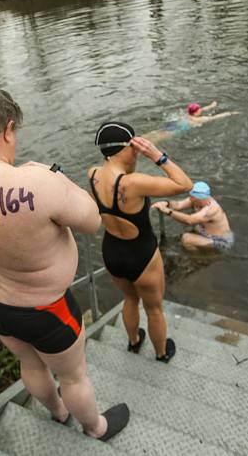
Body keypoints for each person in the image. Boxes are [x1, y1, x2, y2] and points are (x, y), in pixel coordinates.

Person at [0, 86, 130, 442]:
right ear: (7, 129)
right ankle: (96, 428)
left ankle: (58, 412)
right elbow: (92, 221)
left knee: (30, 363)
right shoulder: (37, 183)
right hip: (46, 309)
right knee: (74, 376)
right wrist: (57, 177)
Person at [88, 123, 192, 361]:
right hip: (141, 256)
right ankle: (161, 353)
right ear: (122, 149)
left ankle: (134, 342)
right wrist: (157, 155)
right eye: (134, 147)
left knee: (130, 298)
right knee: (154, 309)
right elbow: (185, 184)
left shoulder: (92, 174)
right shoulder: (133, 183)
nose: (137, 152)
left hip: (112, 252)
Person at [152, 182, 234, 252]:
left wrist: (168, 211)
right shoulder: (196, 200)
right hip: (205, 233)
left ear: (199, 198)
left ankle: (199, 259)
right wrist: (166, 203)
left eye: (192, 197)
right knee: (194, 229)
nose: (190, 199)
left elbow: (189, 220)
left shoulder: (211, 209)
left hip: (220, 241)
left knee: (186, 238)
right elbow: (178, 205)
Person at [144, 101, 240, 143]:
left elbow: (201, 109)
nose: (201, 110)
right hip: (177, 130)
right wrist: (230, 113)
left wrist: (211, 106)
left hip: (174, 124)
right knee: (157, 139)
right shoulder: (199, 119)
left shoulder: (187, 114)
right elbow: (215, 117)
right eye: (199, 110)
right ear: (196, 112)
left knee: (156, 133)